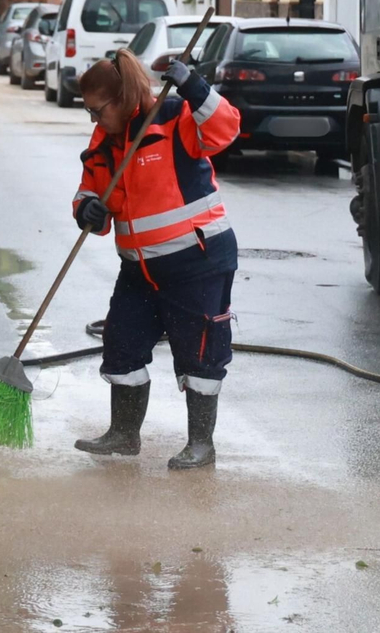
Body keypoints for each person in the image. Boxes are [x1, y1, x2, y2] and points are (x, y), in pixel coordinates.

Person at [72, 48, 241, 469]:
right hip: (139, 269)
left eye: (98, 111)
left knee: (200, 355)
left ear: (121, 99)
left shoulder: (171, 117)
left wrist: (195, 87)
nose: (94, 120)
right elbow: (89, 188)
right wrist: (88, 210)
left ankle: (201, 445)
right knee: (121, 343)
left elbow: (225, 129)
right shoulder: (104, 142)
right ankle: (124, 434)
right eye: (89, 112)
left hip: (197, 261)